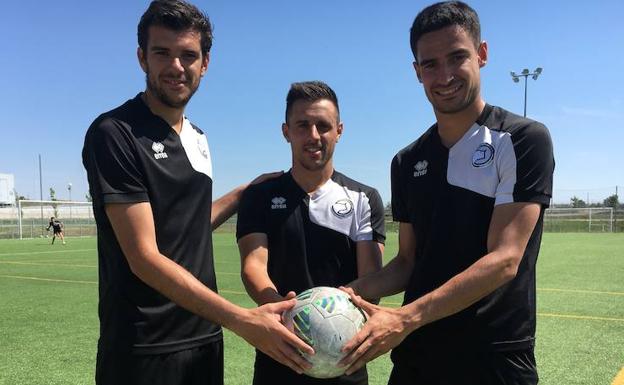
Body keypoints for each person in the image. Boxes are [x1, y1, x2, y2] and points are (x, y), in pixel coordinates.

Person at [81, 2, 312, 385]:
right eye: (162, 53)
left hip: (204, 338)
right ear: (142, 58)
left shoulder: (199, 137)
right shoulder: (115, 133)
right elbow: (143, 256)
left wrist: (243, 192)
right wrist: (241, 319)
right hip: (145, 345)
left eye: (188, 55)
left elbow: (186, 225)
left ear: (205, 63)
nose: (176, 66)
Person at [339, 2, 555, 385]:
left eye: (457, 57)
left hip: (494, 357)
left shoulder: (522, 139)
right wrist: (347, 292)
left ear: (482, 54)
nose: (445, 75)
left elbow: (505, 259)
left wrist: (405, 318)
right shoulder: (407, 161)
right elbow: (407, 262)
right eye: (431, 64)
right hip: (418, 357)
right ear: (416, 72)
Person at [236, 81, 385, 385]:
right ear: (286, 131)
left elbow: (372, 278)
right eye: (302, 125)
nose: (313, 136)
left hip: (344, 361)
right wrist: (285, 311)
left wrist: (331, 312)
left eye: (323, 125)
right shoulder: (260, 195)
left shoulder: (364, 197)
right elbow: (253, 265)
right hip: (279, 353)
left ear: (339, 131)